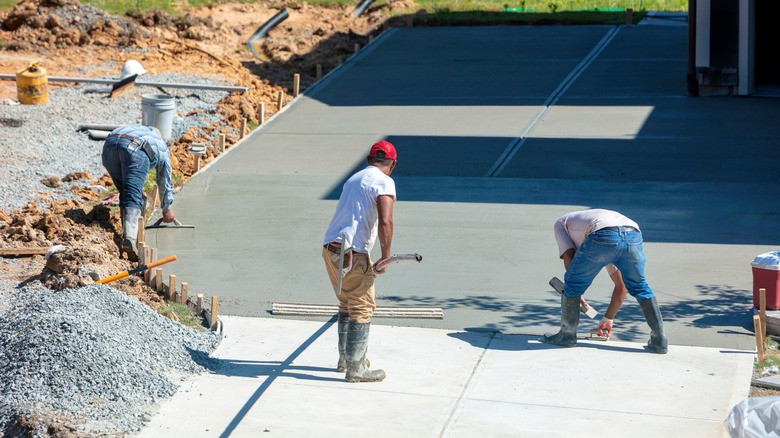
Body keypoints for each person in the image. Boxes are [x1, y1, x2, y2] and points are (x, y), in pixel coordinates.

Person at [542, 208, 668, 354]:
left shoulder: (561, 224)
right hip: (633, 233)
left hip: (603, 234)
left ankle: (567, 335)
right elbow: (621, 286)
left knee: (572, 284)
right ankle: (660, 340)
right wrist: (608, 319)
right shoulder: (601, 241)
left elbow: (569, 257)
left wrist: (575, 294)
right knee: (640, 286)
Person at [322, 140, 397, 382]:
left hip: (331, 249)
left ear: (368, 161)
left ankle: (345, 360)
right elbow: (386, 221)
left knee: (347, 303)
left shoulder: (353, 179)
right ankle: (356, 369)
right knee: (362, 307)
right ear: (392, 164)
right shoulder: (384, 182)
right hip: (353, 253)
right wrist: (386, 257)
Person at [102, 124, 175, 260]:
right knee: (132, 196)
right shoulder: (160, 144)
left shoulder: (138, 129)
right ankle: (130, 239)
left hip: (109, 145)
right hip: (135, 149)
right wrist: (167, 208)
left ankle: (127, 233)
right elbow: (164, 180)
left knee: (126, 191)